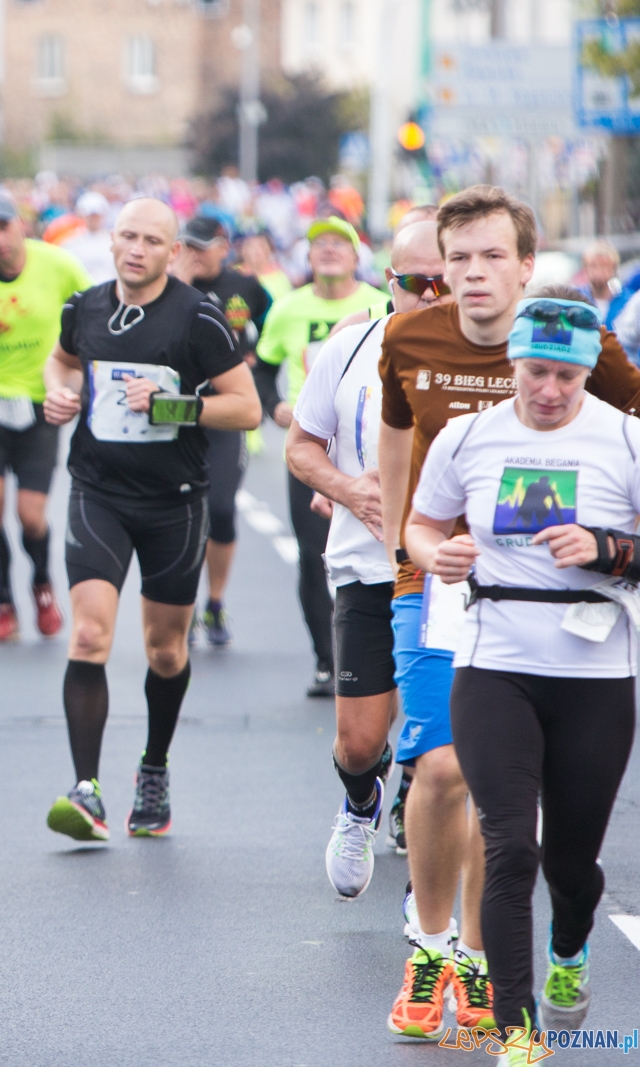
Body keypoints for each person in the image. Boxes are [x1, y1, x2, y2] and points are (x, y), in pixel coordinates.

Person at [376, 184, 640, 1041]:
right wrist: (416, 552)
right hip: (470, 615)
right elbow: (408, 485)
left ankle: (539, 954)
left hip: (588, 641)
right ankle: (470, 985)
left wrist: (605, 547)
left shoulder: (607, 391)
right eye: (458, 259)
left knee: (557, 846)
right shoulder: (429, 368)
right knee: (469, 798)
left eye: (493, 256)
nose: (552, 390)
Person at [40, 198, 262, 841]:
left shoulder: (198, 318)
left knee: (166, 651)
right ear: (111, 242)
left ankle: (154, 767)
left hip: (174, 500)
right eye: (127, 237)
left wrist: (177, 406)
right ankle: (86, 790)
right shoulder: (83, 308)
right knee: (88, 636)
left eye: (152, 241)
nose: (137, 249)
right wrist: (61, 389)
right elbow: (62, 361)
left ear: (173, 253)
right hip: (98, 491)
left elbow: (244, 407)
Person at [285, 216, 450, 906]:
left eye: (449, 281)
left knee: (438, 749)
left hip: (453, 576)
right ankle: (361, 802)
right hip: (367, 566)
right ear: (391, 283)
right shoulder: (351, 346)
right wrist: (348, 487)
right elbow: (302, 445)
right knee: (358, 741)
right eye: (418, 284)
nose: (435, 296)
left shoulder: (494, 355)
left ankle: (430, 899)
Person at [0, 190, 94, 641]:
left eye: (4, 227)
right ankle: (4, 605)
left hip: (39, 402)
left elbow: (90, 316)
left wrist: (81, 376)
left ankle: (42, 586)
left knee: (32, 516)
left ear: (21, 226)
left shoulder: (59, 265)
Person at [256, 217, 389, 696]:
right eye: (318, 245)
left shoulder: (378, 305)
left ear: (358, 257)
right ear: (307, 258)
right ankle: (325, 659)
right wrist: (275, 406)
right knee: (315, 557)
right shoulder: (288, 308)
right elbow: (263, 367)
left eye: (339, 243)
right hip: (311, 446)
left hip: (363, 450)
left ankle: (381, 657)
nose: (328, 251)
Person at [171, 216, 271, 645]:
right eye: (188, 246)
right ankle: (184, 605)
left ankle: (215, 603)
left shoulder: (246, 288)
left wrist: (254, 360)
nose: (196, 254)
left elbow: (269, 332)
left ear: (222, 247)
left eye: (203, 246)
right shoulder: (171, 289)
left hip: (226, 413)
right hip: (177, 412)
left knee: (223, 508)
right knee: (178, 513)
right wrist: (181, 282)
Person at [62, 191, 118, 284]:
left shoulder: (113, 241)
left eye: (97, 216)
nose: (94, 220)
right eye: (91, 216)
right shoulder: (71, 243)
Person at [238, 229, 295, 301]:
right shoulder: (235, 274)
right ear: (242, 250)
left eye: (261, 246)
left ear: (270, 249)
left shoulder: (280, 276)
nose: (256, 250)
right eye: (251, 246)